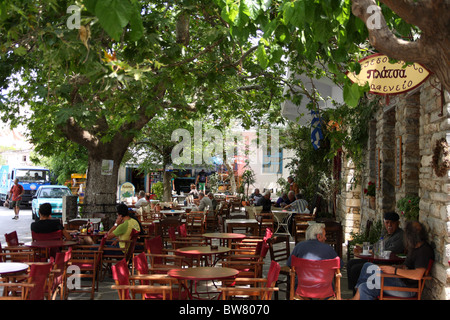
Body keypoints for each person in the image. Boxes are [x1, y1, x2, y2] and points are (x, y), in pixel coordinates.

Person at [350, 220, 434, 300]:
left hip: (407, 289)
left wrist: (394, 271)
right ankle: (357, 295)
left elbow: (418, 275)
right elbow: (406, 266)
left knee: (370, 270)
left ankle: (355, 298)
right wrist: (393, 267)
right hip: (400, 280)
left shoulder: (423, 251)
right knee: (365, 281)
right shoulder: (414, 247)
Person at [347, 211, 405, 294]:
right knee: (351, 263)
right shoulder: (386, 234)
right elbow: (376, 245)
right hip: (376, 259)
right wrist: (364, 249)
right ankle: (354, 291)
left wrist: (373, 251)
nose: (389, 225)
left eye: (392, 223)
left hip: (386, 263)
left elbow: (390, 251)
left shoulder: (400, 235)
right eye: (387, 222)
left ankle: (357, 294)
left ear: (398, 223)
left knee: (355, 269)